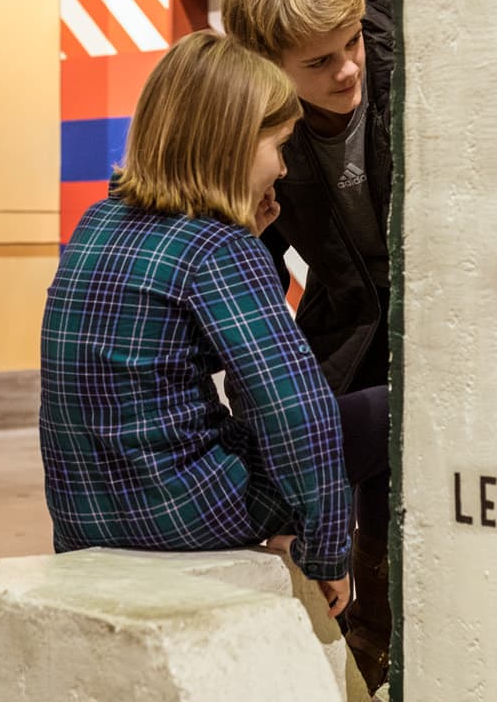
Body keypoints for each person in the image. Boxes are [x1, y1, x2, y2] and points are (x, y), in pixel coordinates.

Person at [40, 31, 352, 612]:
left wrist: (250, 236)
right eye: (280, 146)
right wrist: (327, 552)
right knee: (377, 415)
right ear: (232, 145)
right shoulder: (216, 247)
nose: (284, 169)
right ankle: (373, 622)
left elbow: (171, 351)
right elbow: (293, 407)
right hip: (184, 512)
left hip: (84, 516)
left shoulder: (98, 221)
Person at [216, 0, 392, 689]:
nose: (348, 68)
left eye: (350, 44)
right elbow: (248, 277)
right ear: (269, 70)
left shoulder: (417, 59)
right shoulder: (252, 130)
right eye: (319, 63)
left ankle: (382, 653)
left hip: (444, 328)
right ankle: (350, 671)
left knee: (400, 514)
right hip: (346, 331)